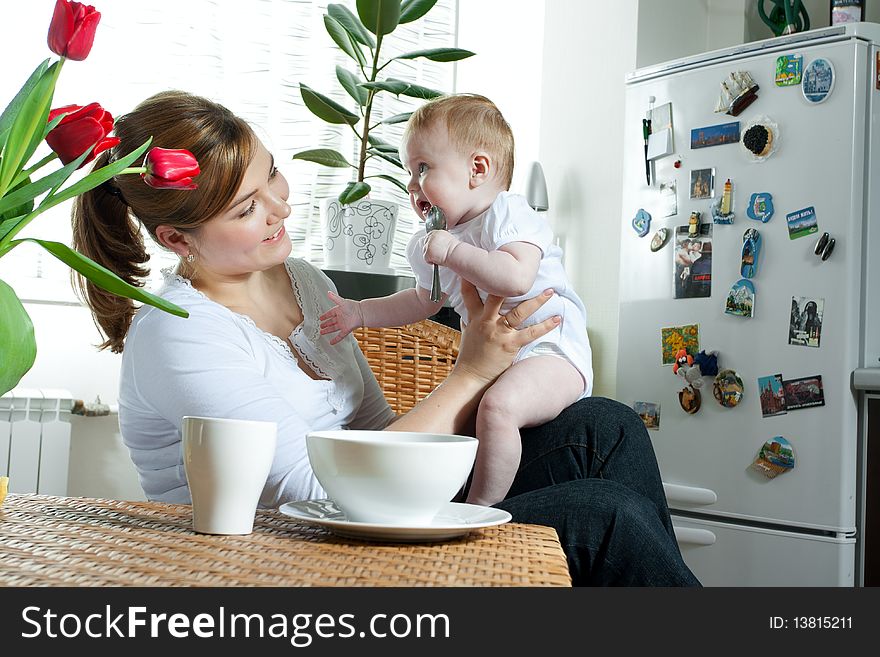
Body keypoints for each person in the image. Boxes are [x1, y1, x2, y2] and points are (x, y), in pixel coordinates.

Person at [71, 90, 699, 586]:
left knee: (606, 425)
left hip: (375, 512)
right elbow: (320, 496)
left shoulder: (301, 280)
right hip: (293, 559)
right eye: (246, 208)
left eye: (274, 177)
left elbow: (375, 429)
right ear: (177, 239)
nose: (282, 208)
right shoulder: (178, 333)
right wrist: (473, 374)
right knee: (603, 519)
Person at [319, 94, 592, 507]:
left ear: (477, 169)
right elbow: (423, 301)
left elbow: (516, 278)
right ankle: (449, 504)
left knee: (498, 410)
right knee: (466, 430)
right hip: (495, 361)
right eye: (410, 172)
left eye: (423, 168)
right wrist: (360, 312)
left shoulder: (508, 214)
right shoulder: (432, 242)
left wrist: (453, 253)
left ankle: (478, 511)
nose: (413, 185)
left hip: (551, 351)